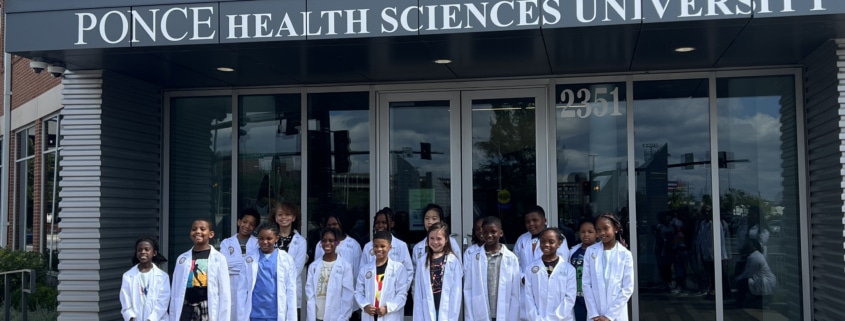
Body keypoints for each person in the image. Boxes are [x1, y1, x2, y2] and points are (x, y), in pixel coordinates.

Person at [169, 219, 231, 321]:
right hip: (186, 307)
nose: (198, 232)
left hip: (207, 306)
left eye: (202, 229)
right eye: (194, 229)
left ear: (211, 234)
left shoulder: (219, 258)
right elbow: (176, 289)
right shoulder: (182, 259)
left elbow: (225, 292)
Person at [515, 206, 568, 320]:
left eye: (535, 220)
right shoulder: (522, 239)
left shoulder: (558, 238)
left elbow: (561, 263)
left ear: (544, 220)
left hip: (550, 286)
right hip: (526, 288)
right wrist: (522, 276)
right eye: (528, 221)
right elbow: (516, 262)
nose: (531, 224)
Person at [463, 216, 520, 321]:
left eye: (493, 232)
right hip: (480, 311)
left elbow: (515, 292)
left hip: (503, 312)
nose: (489, 235)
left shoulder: (511, 258)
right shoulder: (473, 258)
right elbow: (468, 289)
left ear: (501, 233)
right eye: (485, 232)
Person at [583, 213, 634, 321]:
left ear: (616, 228)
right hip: (595, 314)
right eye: (598, 229)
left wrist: (609, 316)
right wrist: (594, 314)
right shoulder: (590, 251)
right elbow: (586, 284)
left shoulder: (625, 254)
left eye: (606, 228)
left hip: (616, 314)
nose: (602, 233)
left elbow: (627, 288)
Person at [243, 222, 297, 321]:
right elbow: (242, 289)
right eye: (261, 238)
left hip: (275, 313)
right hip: (255, 313)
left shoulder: (286, 259)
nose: (265, 242)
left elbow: (291, 290)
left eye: (269, 239)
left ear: (277, 238)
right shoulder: (249, 259)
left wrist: (291, 317)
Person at [355, 231, 411, 321]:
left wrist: (387, 308)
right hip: (370, 315)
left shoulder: (398, 268)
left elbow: (401, 295)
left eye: (382, 246)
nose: (379, 249)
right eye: (376, 246)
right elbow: (358, 292)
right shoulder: (365, 269)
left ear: (390, 247)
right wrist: (365, 305)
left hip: (389, 315)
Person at [412, 222, 463, 321]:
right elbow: (418, 291)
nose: (435, 242)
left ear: (446, 240)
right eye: (432, 238)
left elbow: (456, 292)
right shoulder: (422, 261)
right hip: (426, 308)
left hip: (446, 308)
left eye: (439, 238)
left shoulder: (453, 261)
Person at [525, 228, 576, 321]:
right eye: (543, 241)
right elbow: (529, 297)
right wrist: (536, 318)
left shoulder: (569, 269)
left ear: (559, 243)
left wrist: (552, 319)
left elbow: (569, 298)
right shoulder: (530, 268)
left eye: (551, 242)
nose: (546, 245)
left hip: (562, 318)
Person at [306, 228, 355, 321]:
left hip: (337, 316)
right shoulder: (313, 266)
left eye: (331, 241)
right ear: (321, 243)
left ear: (337, 243)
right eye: (324, 241)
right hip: (317, 316)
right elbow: (310, 294)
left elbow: (348, 295)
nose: (327, 243)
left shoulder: (345, 266)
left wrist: (343, 317)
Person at [221, 209, 260, 321]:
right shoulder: (226, 243)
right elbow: (225, 266)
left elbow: (256, 266)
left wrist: (235, 264)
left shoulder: (257, 243)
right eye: (244, 222)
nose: (247, 226)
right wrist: (246, 263)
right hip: (231, 285)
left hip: (251, 285)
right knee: (232, 314)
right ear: (239, 222)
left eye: (252, 224)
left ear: (255, 228)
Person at [359, 208, 414, 286]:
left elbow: (408, 271)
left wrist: (400, 293)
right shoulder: (368, 247)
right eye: (377, 222)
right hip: (372, 293)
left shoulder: (401, 245)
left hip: (395, 294)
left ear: (391, 224)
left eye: (384, 222)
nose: (380, 225)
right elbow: (362, 271)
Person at [269, 202, 308, 313]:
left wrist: (281, 280)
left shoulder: (300, 241)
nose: (284, 217)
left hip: (290, 287)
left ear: (294, 217)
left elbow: (297, 268)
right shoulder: (269, 239)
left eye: (287, 214)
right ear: (275, 218)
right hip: (271, 286)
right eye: (280, 215)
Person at [120, 237, 170, 321]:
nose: (143, 252)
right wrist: (131, 317)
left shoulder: (162, 276)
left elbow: (163, 303)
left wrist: (151, 319)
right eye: (139, 250)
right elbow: (125, 302)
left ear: (154, 253)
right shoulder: (128, 276)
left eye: (147, 249)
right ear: (136, 253)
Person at [313, 213, 363, 286]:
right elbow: (316, 268)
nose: (332, 227)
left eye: (335, 224)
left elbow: (357, 272)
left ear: (342, 225)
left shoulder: (353, 245)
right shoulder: (320, 244)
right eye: (329, 225)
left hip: (347, 290)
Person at [734, 239, 777, 308]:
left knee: (742, 283)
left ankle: (741, 302)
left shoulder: (754, 257)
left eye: (749, 245)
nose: (748, 247)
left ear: (754, 246)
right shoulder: (758, 255)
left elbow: (748, 273)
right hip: (766, 281)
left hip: (764, 282)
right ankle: (754, 299)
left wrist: (737, 278)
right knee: (747, 282)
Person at [569, 220, 597, 321]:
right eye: (583, 232)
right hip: (577, 298)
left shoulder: (599, 251)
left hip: (595, 299)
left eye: (590, 232)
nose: (586, 234)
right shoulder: (573, 252)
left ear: (597, 233)